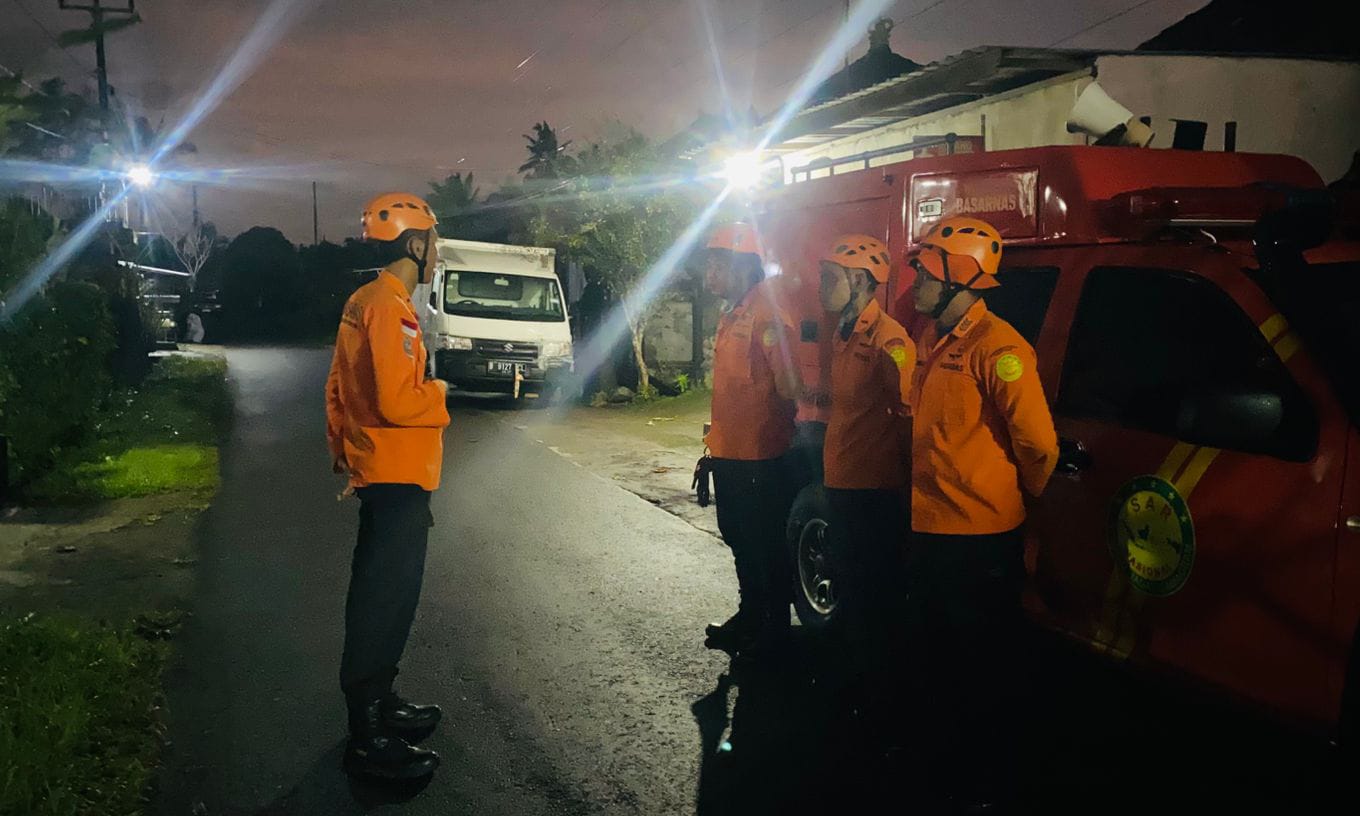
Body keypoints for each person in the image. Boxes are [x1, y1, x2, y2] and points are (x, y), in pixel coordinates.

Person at [905, 216, 1059, 809]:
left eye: (924, 268)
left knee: (981, 669)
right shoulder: (932, 340)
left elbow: (1038, 446)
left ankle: (988, 784)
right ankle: (949, 768)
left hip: (978, 541)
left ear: (960, 276)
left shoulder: (1000, 349)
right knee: (941, 659)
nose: (914, 276)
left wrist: (1026, 509)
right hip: (931, 530)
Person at [325, 192, 451, 781]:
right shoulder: (391, 307)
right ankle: (368, 731)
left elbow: (336, 388)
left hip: (381, 471)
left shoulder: (364, 300)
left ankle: (382, 701)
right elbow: (400, 401)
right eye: (434, 242)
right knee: (385, 601)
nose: (436, 252)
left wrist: (345, 455)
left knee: (385, 595)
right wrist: (442, 395)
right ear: (416, 244)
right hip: (397, 475)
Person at [817, 234, 915, 722]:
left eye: (828, 278)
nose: (820, 287)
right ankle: (858, 682)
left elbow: (907, 417)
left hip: (874, 491)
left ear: (858, 281)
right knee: (851, 591)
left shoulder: (890, 340)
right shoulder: (843, 331)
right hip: (842, 484)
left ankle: (883, 701)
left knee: (877, 598)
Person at [701, 222, 802, 659]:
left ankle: (773, 626)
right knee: (739, 536)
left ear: (743, 266)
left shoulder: (768, 315)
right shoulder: (735, 312)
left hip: (761, 455)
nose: (709, 277)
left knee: (763, 543)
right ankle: (751, 613)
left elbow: (787, 386)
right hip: (730, 451)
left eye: (717, 266)